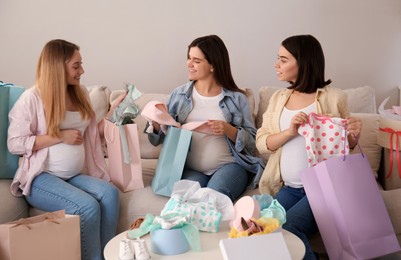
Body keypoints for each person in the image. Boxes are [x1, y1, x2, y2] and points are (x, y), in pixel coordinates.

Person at [7, 39, 120, 260]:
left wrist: (112, 114)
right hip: (42, 178)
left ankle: (107, 255)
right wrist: (58, 136)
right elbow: (15, 143)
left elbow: (90, 137)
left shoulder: (80, 93)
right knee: (87, 207)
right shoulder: (32, 98)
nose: (82, 71)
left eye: (81, 64)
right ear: (58, 66)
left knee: (110, 194)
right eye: (76, 66)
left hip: (74, 175)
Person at [256, 35, 362, 259]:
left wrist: (354, 135)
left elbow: (346, 148)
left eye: (283, 60)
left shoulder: (334, 97)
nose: (277, 64)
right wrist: (289, 132)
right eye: (278, 58)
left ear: (303, 62)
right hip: (289, 188)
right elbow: (262, 143)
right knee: (262, 228)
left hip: (325, 188)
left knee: (290, 228)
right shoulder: (278, 98)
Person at [147, 35, 264, 201]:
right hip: (190, 169)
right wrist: (158, 125)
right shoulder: (179, 95)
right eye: (189, 58)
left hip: (229, 166)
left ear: (212, 65)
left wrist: (229, 130)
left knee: (213, 198)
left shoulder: (237, 99)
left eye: (196, 60)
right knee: (185, 200)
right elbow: (160, 140)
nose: (189, 64)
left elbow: (253, 141)